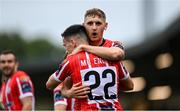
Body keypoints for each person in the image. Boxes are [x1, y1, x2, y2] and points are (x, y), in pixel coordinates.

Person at [46, 24, 133, 110]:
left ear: (73, 43)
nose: (66, 49)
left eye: (65, 45)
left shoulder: (71, 61)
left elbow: (49, 84)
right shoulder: (113, 59)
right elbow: (130, 86)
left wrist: (67, 93)